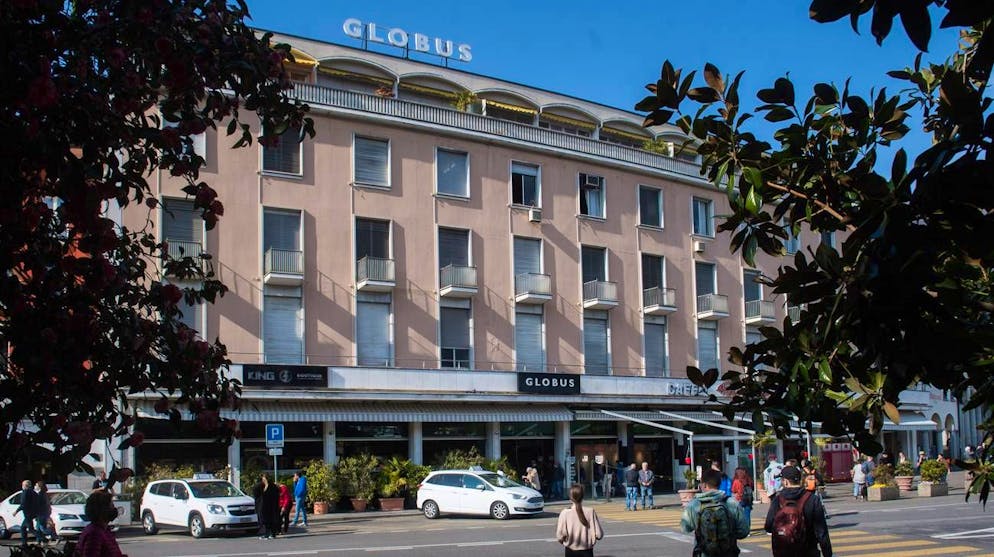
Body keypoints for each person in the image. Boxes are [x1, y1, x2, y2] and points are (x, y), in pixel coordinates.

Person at [764, 465, 832, 557]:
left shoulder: (778, 500)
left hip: (784, 552)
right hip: (808, 551)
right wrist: (827, 554)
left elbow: (768, 526)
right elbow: (821, 531)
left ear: (785, 482)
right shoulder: (812, 499)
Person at [680, 468, 749, 557]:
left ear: (704, 485)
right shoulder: (732, 503)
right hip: (728, 553)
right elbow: (744, 531)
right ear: (719, 484)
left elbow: (685, 528)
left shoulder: (694, 504)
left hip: (704, 553)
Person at [75, 489, 127, 557]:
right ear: (103, 510)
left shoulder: (105, 530)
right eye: (111, 506)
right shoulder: (94, 533)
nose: (114, 510)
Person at [556, 484, 603, 557]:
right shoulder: (590, 511)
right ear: (583, 496)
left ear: (570, 497)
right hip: (587, 551)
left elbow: (559, 536)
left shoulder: (565, 513)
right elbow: (599, 535)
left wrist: (565, 541)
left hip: (570, 551)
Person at [13, 479, 38, 546]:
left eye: (22, 485)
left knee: (30, 529)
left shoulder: (25, 492)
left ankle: (43, 538)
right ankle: (24, 543)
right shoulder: (34, 492)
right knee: (23, 528)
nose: (22, 486)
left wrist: (16, 511)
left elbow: (23, 504)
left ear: (25, 485)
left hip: (28, 513)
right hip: (33, 513)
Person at [255, 473, 280, 539]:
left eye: (264, 478)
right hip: (264, 506)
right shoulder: (261, 485)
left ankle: (271, 534)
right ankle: (268, 533)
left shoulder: (272, 486)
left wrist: (267, 485)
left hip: (270, 506)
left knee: (270, 520)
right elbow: (257, 493)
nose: (264, 480)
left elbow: (276, 495)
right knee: (265, 520)